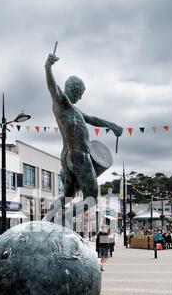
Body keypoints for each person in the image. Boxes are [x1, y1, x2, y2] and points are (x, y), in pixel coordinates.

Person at [44, 50, 123, 224]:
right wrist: (48, 67)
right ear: (74, 90)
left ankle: (48, 218)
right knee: (92, 198)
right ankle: (63, 219)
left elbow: (93, 119)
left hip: (67, 156)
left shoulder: (74, 110)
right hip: (79, 155)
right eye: (80, 93)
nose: (80, 97)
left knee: (68, 195)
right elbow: (52, 88)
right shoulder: (62, 103)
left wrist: (112, 125)